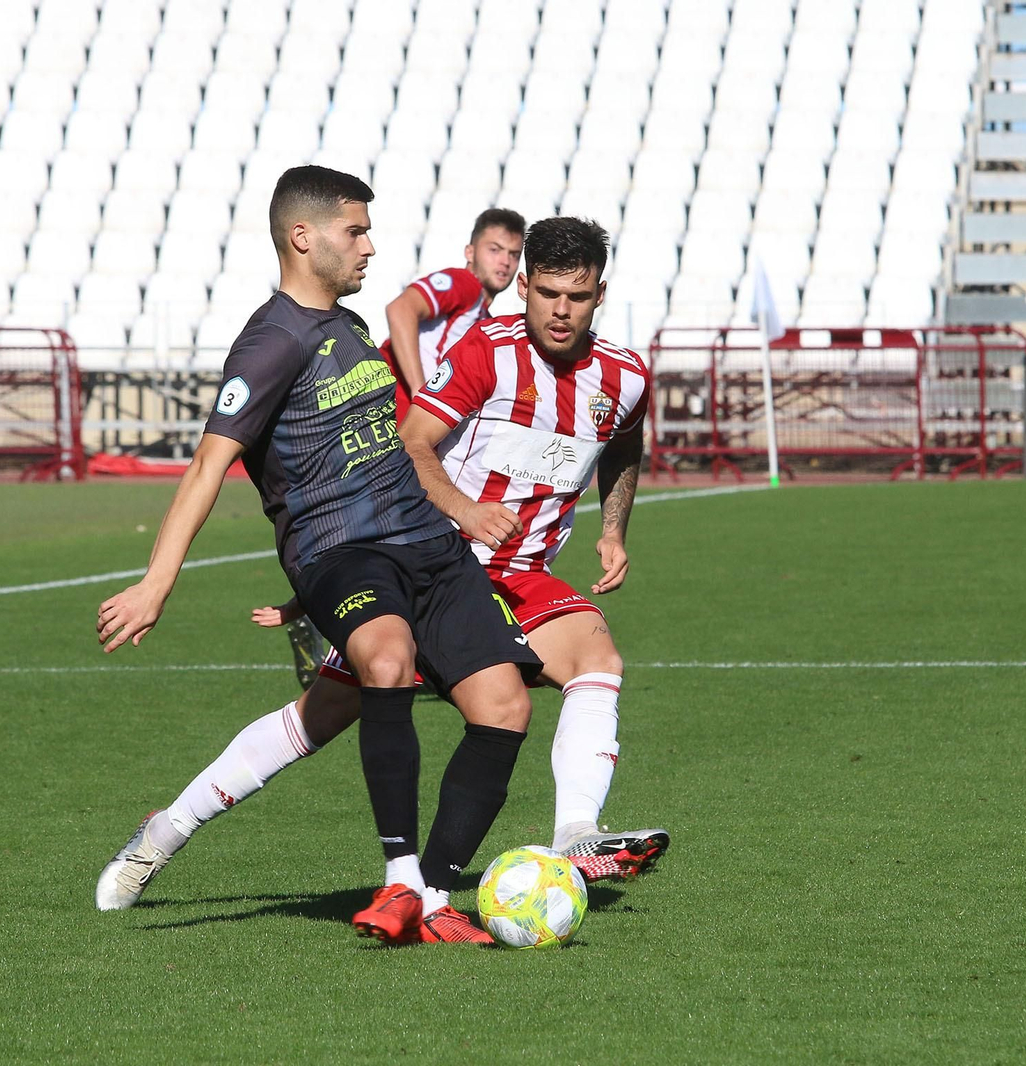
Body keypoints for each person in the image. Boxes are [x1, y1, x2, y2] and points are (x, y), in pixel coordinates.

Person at [92, 217, 669, 922]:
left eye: (575, 297)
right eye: (545, 292)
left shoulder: (626, 375)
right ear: (524, 286)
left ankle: (563, 837)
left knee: (593, 655)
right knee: (321, 716)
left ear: (598, 293)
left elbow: (625, 441)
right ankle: (166, 831)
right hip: (439, 553)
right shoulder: (488, 352)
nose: (558, 309)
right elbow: (412, 445)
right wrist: (463, 509)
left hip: (516, 573)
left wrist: (613, 529)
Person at [381, 208, 525, 422]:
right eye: (495, 250)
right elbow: (400, 309)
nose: (505, 261)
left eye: (513, 254)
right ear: (470, 252)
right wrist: (421, 393)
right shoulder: (464, 283)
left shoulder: (485, 319)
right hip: (394, 406)